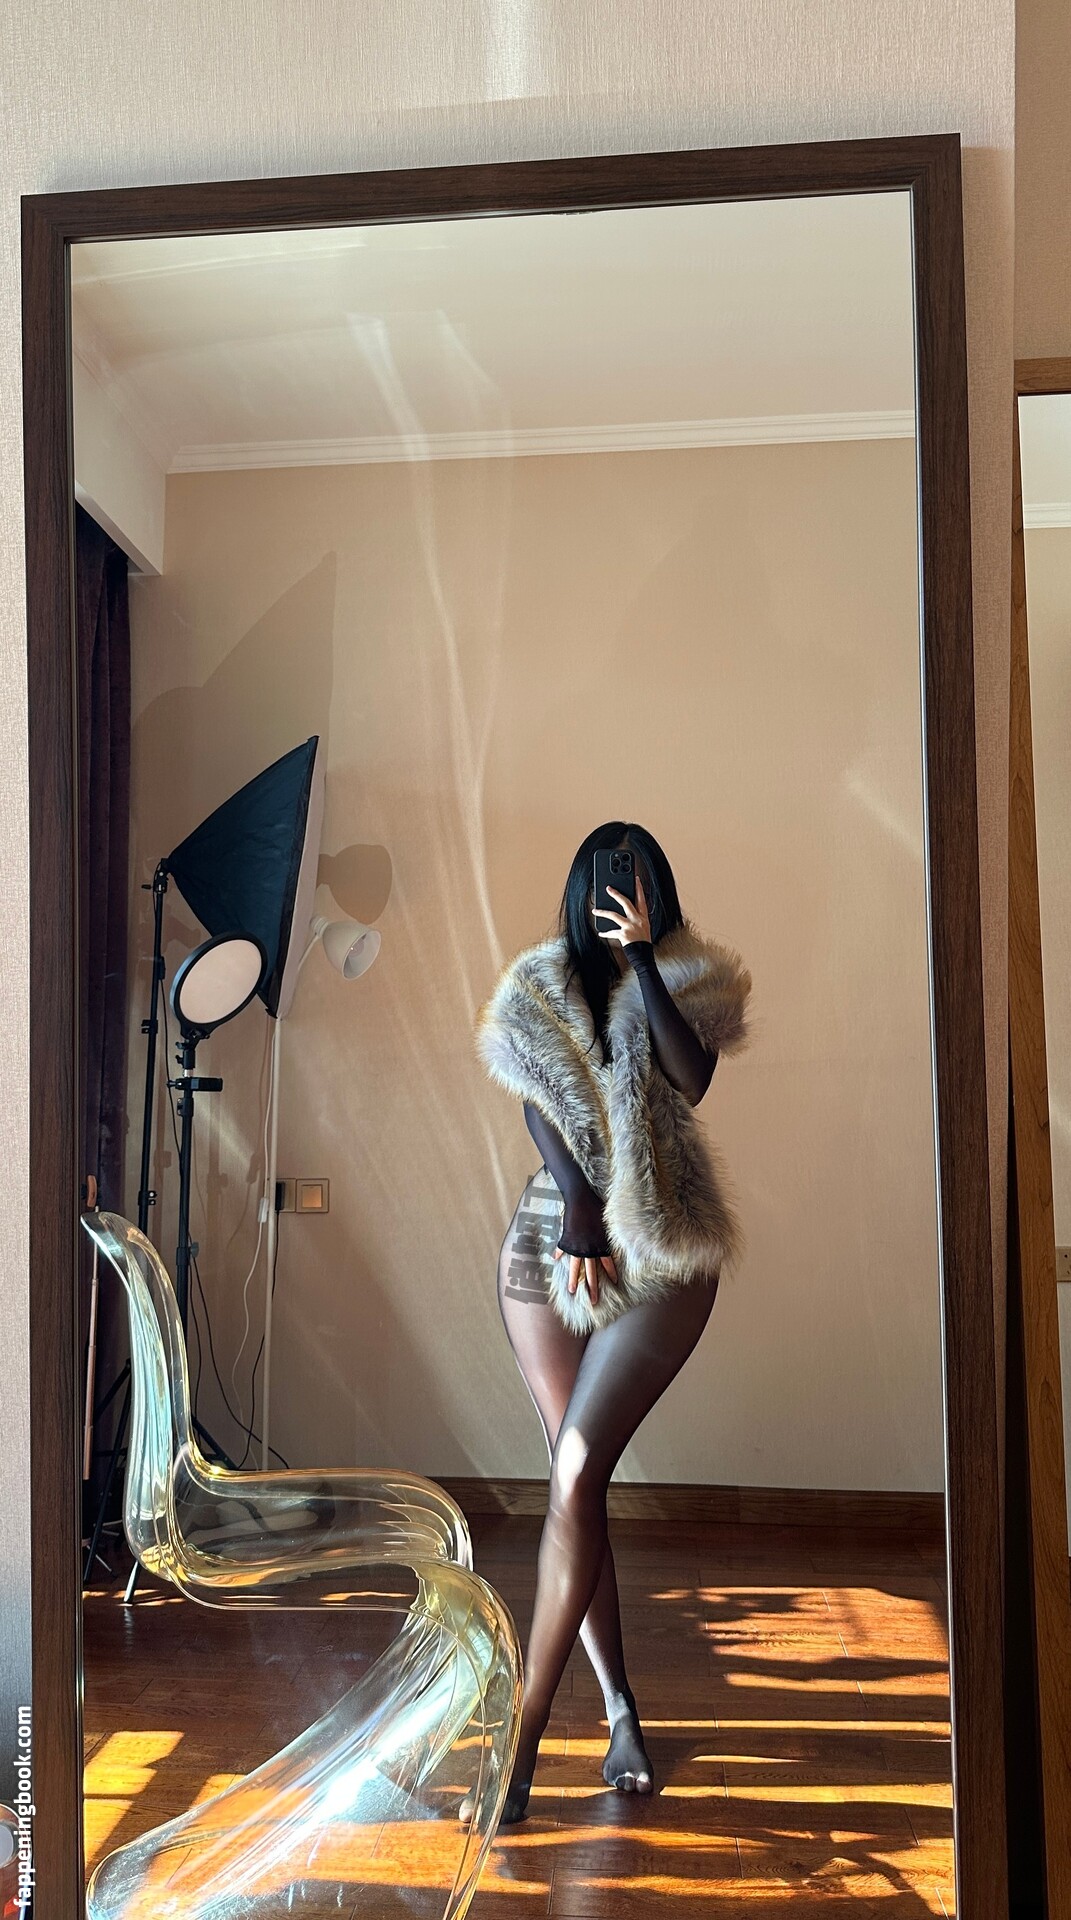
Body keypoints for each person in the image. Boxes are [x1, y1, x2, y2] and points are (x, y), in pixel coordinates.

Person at [472, 821, 750, 1823]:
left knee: (577, 1472)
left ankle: (523, 1737)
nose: (619, 891)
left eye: (636, 880)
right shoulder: (537, 985)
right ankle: (621, 1709)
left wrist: (641, 960)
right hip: (550, 1247)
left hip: (661, 1246)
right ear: (579, 886)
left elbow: (692, 1078)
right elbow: (535, 1104)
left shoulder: (690, 976)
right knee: (571, 1483)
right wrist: (579, 1211)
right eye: (605, 878)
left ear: (656, 890)